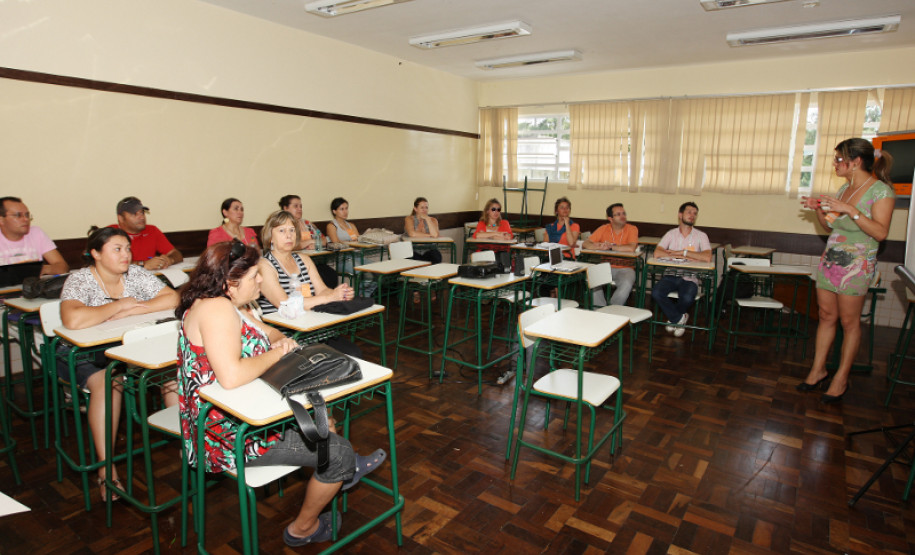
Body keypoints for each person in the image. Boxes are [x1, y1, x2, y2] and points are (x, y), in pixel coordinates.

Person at [176, 240, 385, 546]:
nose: (261, 279)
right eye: (254, 277)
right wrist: (277, 354)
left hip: (245, 413)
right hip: (227, 434)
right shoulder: (217, 309)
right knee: (337, 453)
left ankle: (344, 468)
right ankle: (303, 529)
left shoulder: (230, 302)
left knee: (325, 418)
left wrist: (278, 339)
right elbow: (232, 377)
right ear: (229, 283)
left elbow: (266, 331)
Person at [59, 227, 180, 502]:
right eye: (117, 249)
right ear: (96, 254)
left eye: (127, 248)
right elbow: (74, 320)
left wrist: (132, 308)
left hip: (123, 348)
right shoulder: (79, 279)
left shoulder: (134, 274)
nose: (126, 254)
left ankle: (186, 444)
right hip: (83, 355)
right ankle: (106, 470)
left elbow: (172, 298)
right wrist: (119, 305)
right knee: (108, 383)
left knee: (169, 371)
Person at [797, 138, 895, 403]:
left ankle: (841, 379)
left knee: (849, 322)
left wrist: (851, 210)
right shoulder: (843, 189)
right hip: (831, 259)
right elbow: (830, 226)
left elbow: (881, 232)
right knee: (826, 315)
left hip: (858, 263)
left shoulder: (881, 192)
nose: (835, 163)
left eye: (839, 159)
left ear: (856, 162)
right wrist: (819, 210)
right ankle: (818, 371)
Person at [257, 211, 355, 314]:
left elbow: (322, 290)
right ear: (271, 237)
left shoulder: (304, 259)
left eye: (292, 230)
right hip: (284, 326)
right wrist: (331, 297)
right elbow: (286, 304)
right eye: (282, 231)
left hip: (309, 320)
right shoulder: (264, 265)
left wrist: (340, 293)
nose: (289, 235)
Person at [651, 202, 712, 337]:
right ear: (680, 215)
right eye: (689, 212)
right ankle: (679, 318)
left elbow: (707, 257)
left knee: (687, 297)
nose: (692, 216)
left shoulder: (701, 236)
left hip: (690, 276)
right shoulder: (671, 234)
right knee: (656, 292)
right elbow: (657, 253)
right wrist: (691, 256)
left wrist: (683, 253)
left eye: (695, 213)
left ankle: (674, 318)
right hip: (671, 274)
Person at [583, 203, 639, 306]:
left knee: (627, 283)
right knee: (592, 278)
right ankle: (599, 309)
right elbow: (585, 243)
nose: (623, 216)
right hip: (606, 266)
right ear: (610, 218)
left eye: (624, 213)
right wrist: (598, 246)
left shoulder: (632, 229)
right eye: (618, 214)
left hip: (626, 268)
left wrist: (611, 247)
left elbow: (631, 248)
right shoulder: (604, 228)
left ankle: (612, 309)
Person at [279, 195, 338, 287]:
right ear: (285, 208)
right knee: (320, 277)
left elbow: (323, 240)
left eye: (301, 206)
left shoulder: (307, 223)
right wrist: (310, 241)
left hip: (314, 261)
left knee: (330, 274)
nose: (299, 209)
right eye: (295, 206)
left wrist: (315, 243)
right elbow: (292, 246)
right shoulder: (282, 225)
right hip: (294, 265)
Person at [0, 196, 69, 275]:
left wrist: (42, 269)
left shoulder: (36, 233)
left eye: (27, 215)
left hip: (32, 285)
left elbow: (63, 267)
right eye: (18, 215)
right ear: (1, 220)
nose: (26, 219)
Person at [111, 196, 183, 270]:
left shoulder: (152, 230)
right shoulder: (110, 233)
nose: (141, 217)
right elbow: (108, 263)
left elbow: (176, 254)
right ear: (120, 218)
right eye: (134, 214)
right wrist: (143, 264)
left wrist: (169, 260)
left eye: (142, 213)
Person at [403, 197, 443, 265]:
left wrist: (427, 219)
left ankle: (432, 275)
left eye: (426, 207)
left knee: (437, 256)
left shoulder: (433, 220)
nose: (424, 210)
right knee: (411, 258)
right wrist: (430, 235)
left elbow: (435, 235)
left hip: (429, 250)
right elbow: (412, 234)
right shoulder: (409, 219)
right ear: (415, 209)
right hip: (413, 249)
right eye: (422, 208)